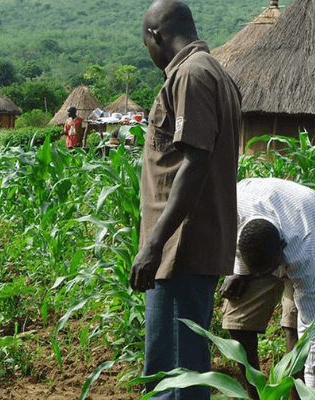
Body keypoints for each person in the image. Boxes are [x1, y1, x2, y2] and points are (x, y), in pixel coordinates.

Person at [129, 1, 241, 399]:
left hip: (180, 249)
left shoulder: (191, 75)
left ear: (155, 35)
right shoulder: (212, 72)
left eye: (145, 42)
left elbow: (195, 163)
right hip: (183, 247)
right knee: (178, 366)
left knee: (175, 374)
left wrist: (154, 245)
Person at [220, 177, 315, 399]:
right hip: (259, 210)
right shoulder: (229, 211)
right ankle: (255, 395)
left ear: (282, 249)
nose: (269, 277)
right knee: (239, 318)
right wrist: (240, 272)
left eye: (272, 269)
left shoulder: (303, 251)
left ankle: (299, 395)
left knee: (296, 326)